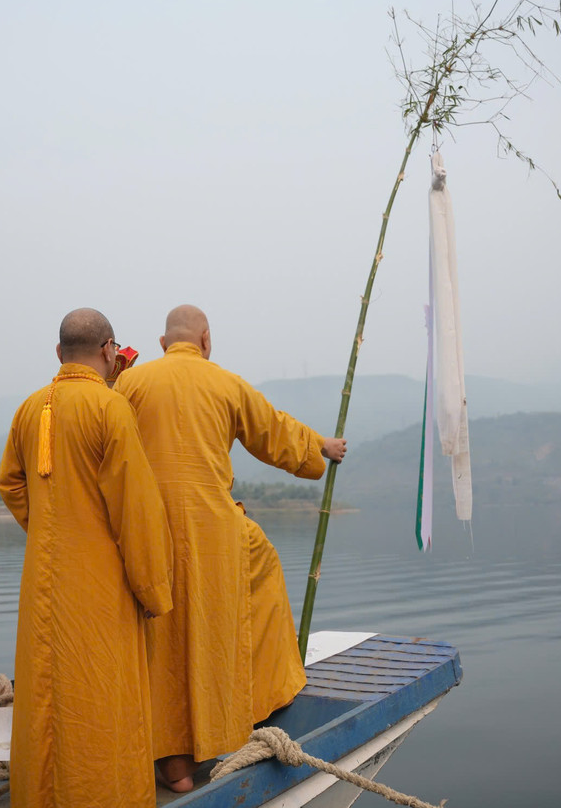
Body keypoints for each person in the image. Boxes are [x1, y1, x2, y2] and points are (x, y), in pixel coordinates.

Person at [114, 304, 348, 792]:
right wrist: (319, 448)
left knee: (161, 636)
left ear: (161, 343)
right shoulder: (225, 383)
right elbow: (274, 431)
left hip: (145, 531)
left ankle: (169, 762)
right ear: (206, 339)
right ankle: (254, 702)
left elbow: (105, 442)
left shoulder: (131, 385)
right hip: (215, 536)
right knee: (232, 606)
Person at [0, 308, 174, 808]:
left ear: (59, 354)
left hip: (43, 579)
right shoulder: (109, 407)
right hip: (100, 583)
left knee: (45, 693)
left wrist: (50, 528)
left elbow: (10, 481)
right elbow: (135, 509)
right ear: (110, 351)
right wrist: (154, 590)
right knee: (100, 696)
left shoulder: (30, 408)